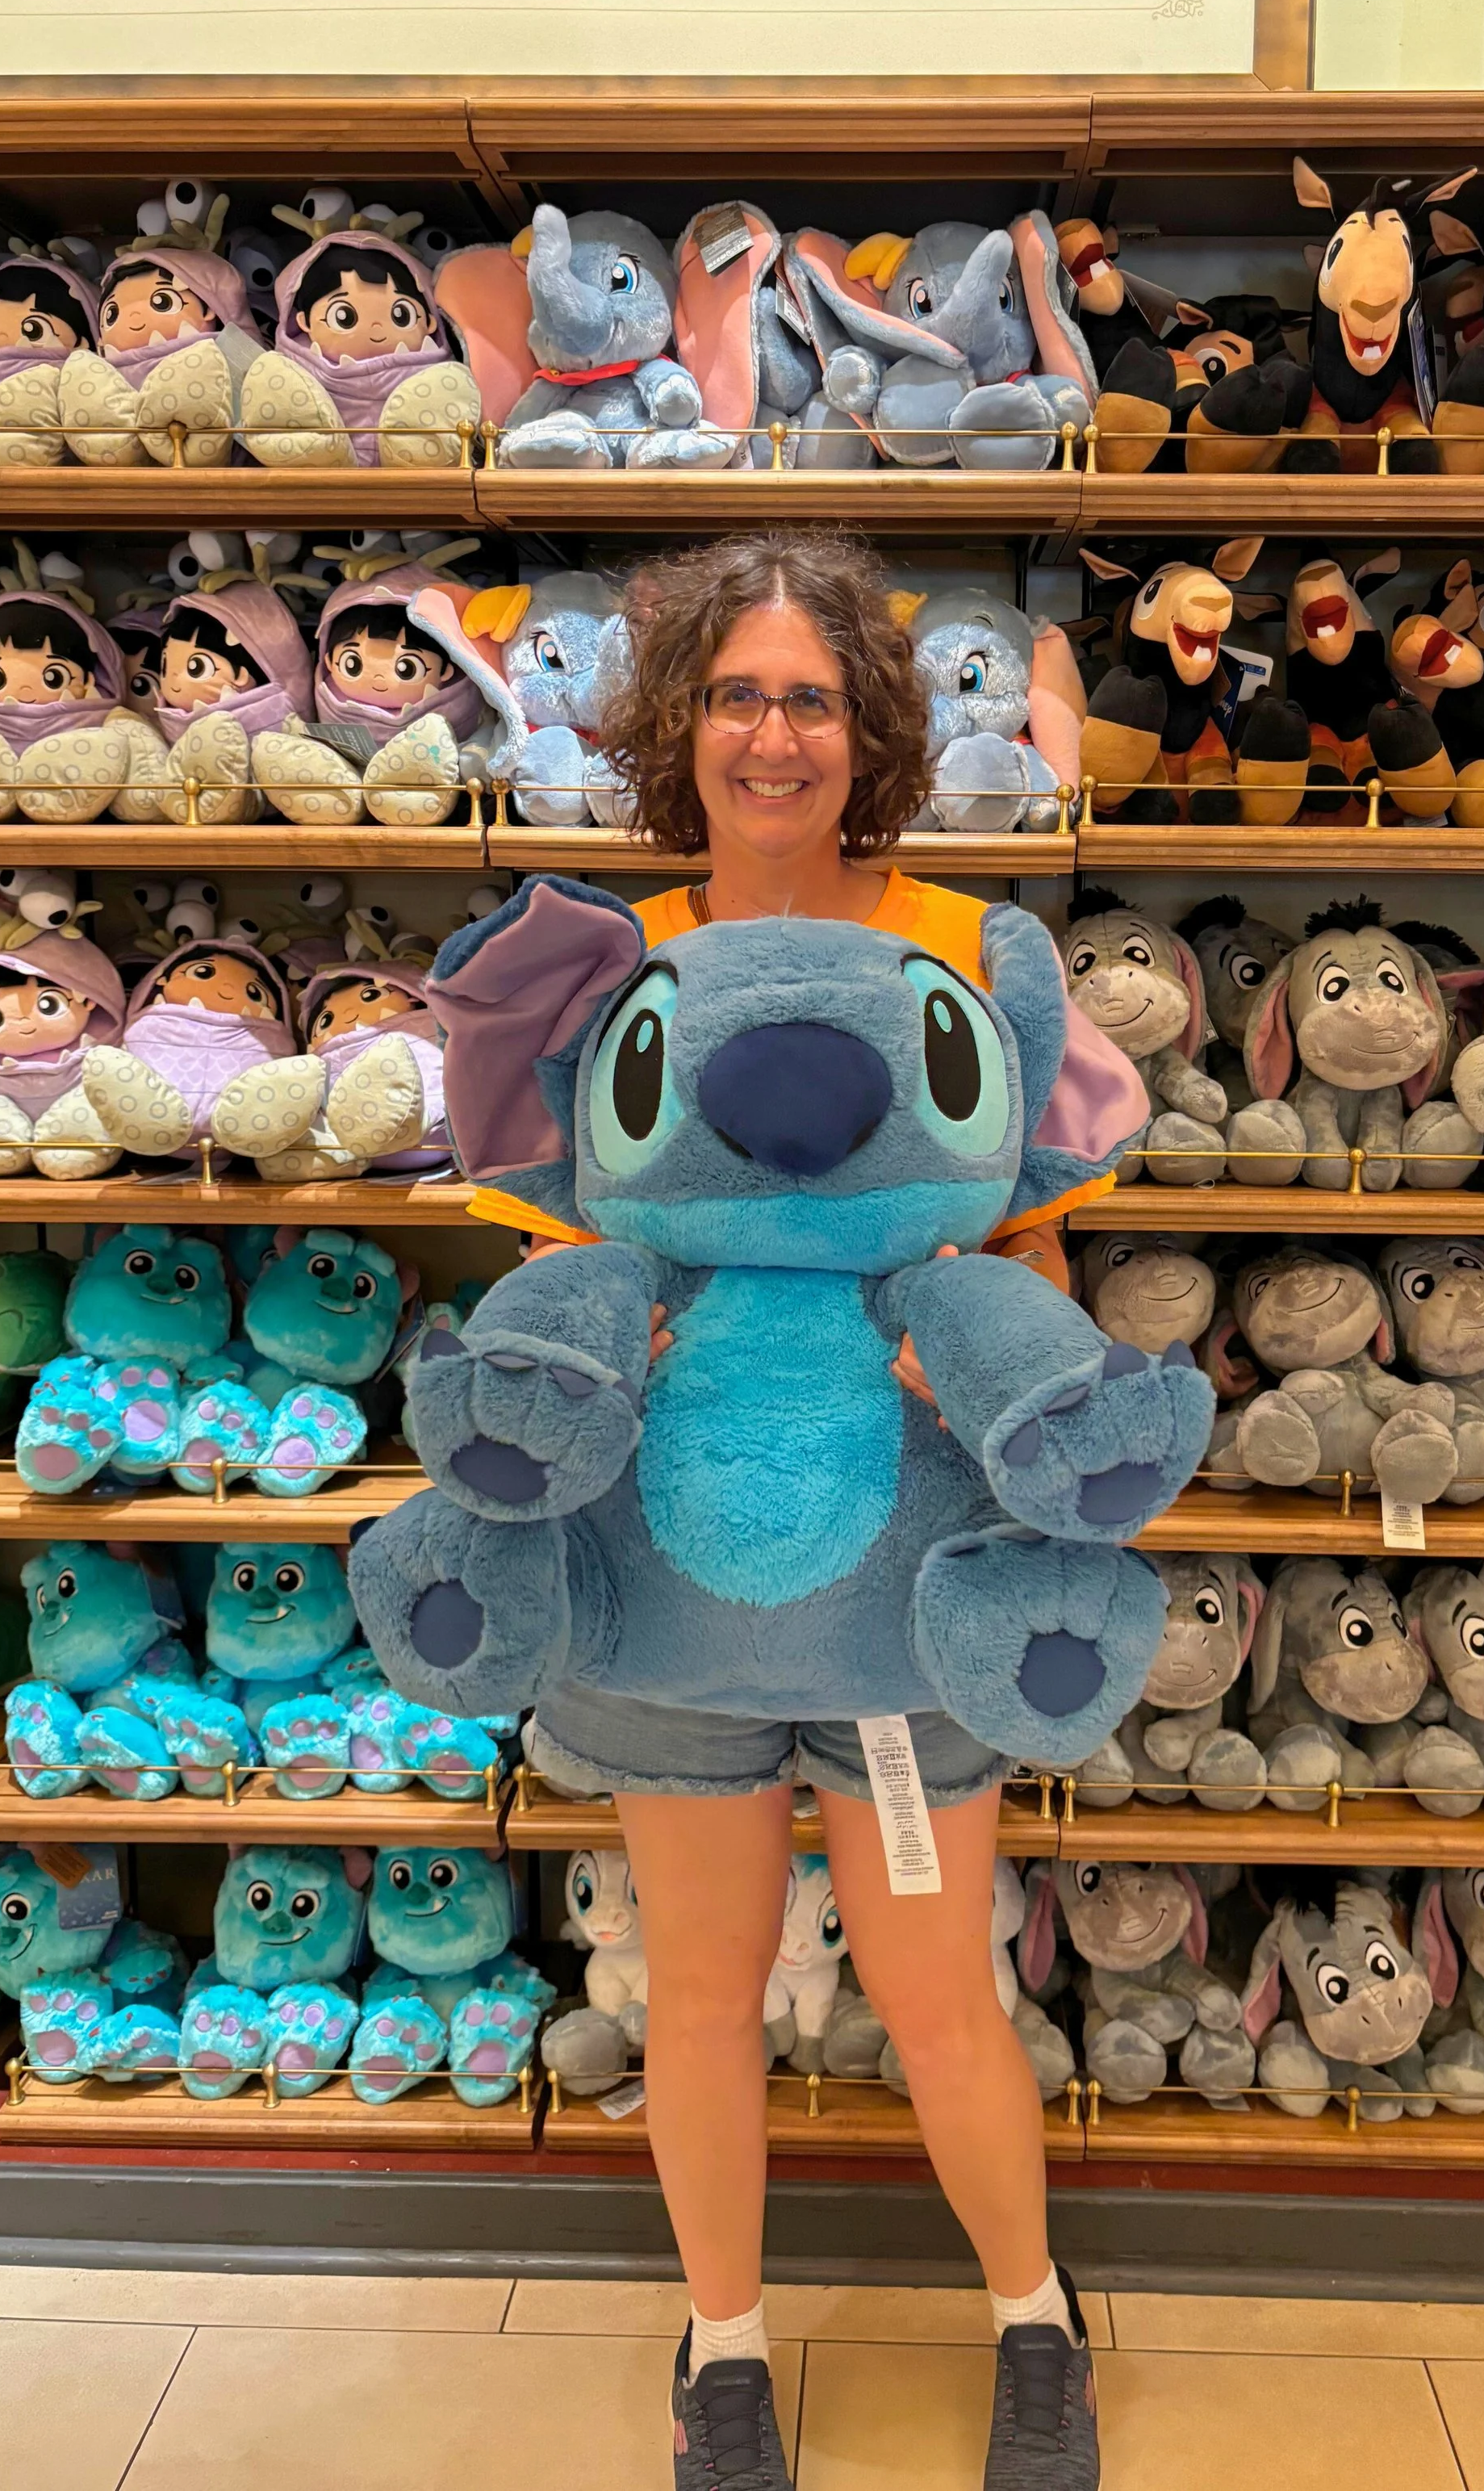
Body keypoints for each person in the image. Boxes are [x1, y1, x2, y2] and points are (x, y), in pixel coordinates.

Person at [472, 533, 1127, 2490]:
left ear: (873, 729)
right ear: (685, 726)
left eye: (811, 700)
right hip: (671, 1594)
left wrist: (975, 1370)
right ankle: (727, 2349)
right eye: (740, 697)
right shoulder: (604, 959)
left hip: (907, 1594)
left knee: (940, 1992)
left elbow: (1045, 1267)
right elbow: (547, 1263)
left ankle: (1032, 2318)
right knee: (698, 1991)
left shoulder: (971, 943)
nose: (775, 736)